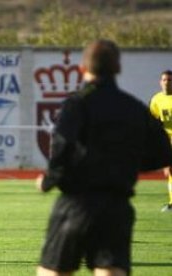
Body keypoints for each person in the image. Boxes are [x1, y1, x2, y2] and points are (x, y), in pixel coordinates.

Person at [35, 40, 172, 276]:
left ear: (81, 68)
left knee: (53, 271)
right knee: (111, 271)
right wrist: (126, 165)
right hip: (116, 205)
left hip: (76, 204)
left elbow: (61, 147)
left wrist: (48, 181)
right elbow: (163, 152)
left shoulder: (76, 104)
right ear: (118, 68)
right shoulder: (134, 107)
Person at [149, 70, 172, 212]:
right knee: (169, 172)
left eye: (169, 80)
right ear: (160, 82)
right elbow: (152, 121)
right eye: (164, 80)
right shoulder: (156, 100)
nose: (167, 82)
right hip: (166, 139)